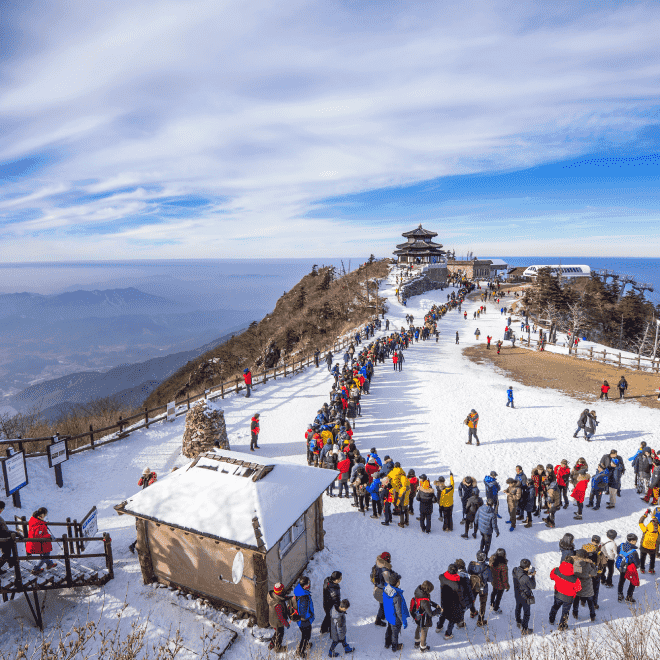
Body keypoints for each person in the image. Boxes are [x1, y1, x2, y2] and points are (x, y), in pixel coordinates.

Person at [129, 467, 158, 553]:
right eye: (143, 475)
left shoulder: (152, 479)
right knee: (143, 533)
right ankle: (134, 545)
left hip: (148, 498)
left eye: (145, 474)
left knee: (144, 533)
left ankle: (134, 545)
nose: (144, 476)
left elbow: (152, 484)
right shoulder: (144, 479)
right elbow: (139, 484)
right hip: (145, 499)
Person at [549, 557, 581, 631]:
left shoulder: (556, 570)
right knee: (565, 612)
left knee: (555, 606)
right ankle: (562, 626)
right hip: (568, 597)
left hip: (558, 594)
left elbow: (551, 577)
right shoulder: (575, 578)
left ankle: (551, 620)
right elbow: (578, 588)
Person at [383, 572, 409, 653]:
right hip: (395, 618)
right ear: (396, 583)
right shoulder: (396, 596)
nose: (399, 582)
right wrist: (403, 621)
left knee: (389, 629)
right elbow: (399, 611)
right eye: (398, 580)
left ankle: (387, 643)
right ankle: (395, 647)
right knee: (395, 633)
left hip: (389, 615)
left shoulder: (386, 589)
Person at [436, 564, 463, 640]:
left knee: (443, 613)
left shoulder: (442, 577)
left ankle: (439, 626)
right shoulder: (457, 584)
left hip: (444, 600)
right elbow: (460, 596)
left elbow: (441, 576)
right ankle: (448, 634)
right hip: (453, 603)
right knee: (452, 618)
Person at [27, 507, 57, 575]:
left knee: (44, 554)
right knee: (45, 555)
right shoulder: (39, 524)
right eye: (45, 514)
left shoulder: (34, 520)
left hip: (38, 543)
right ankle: (36, 569)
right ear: (42, 515)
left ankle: (49, 564)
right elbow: (39, 535)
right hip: (41, 543)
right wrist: (49, 536)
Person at [411, 580, 438, 652]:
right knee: (424, 632)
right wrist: (438, 610)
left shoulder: (418, 592)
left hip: (417, 615)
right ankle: (423, 647)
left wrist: (434, 604)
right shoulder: (425, 601)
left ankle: (417, 642)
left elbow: (428, 601)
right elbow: (431, 613)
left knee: (418, 627)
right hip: (423, 619)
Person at [468, 551, 492, 626]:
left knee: (472, 600)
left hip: (473, 586)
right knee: (483, 603)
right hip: (483, 588)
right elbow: (490, 580)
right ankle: (480, 620)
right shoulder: (486, 568)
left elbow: (469, 572)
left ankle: (472, 612)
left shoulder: (471, 565)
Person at [572, 549, 597, 622]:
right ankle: (592, 615)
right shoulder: (587, 564)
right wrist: (592, 564)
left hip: (578, 585)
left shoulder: (576, 563)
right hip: (587, 586)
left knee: (576, 601)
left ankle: (575, 613)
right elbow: (594, 573)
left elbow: (577, 574)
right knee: (590, 602)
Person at [512, 558, 536, 635]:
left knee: (518, 607)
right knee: (527, 613)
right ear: (526, 568)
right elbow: (533, 586)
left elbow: (521, 574)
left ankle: (518, 621)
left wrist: (527, 573)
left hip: (517, 593)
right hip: (525, 596)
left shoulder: (515, 570)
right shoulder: (526, 578)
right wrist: (532, 576)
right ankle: (525, 629)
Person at [293, 576, 315, 657]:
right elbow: (303, 613)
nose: (309, 585)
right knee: (306, 636)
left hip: (301, 621)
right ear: (304, 586)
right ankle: (300, 651)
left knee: (305, 634)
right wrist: (310, 616)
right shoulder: (304, 598)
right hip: (304, 621)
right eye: (307, 584)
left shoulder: (299, 590)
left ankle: (305, 644)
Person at [616, 533, 640, 603]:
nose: (636, 542)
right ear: (632, 541)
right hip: (628, 568)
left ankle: (620, 595)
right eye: (635, 540)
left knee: (621, 581)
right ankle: (629, 596)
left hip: (621, 566)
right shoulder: (633, 552)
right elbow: (637, 564)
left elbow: (618, 552)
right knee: (632, 582)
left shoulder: (621, 545)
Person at [371, 552, 393, 626]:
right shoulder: (384, 569)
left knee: (382, 604)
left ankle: (383, 616)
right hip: (381, 590)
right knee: (383, 606)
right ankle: (378, 620)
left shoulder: (377, 564)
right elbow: (388, 582)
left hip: (377, 588)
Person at [267, 583, 290, 653]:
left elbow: (280, 598)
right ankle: (278, 648)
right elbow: (280, 617)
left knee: (277, 633)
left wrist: (288, 598)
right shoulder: (278, 605)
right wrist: (286, 624)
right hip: (277, 622)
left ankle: (271, 643)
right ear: (280, 592)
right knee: (280, 635)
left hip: (272, 619)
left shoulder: (272, 596)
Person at [489, 548, 509, 614]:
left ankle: (492, 603)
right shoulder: (503, 566)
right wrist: (507, 586)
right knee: (499, 596)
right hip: (500, 584)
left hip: (494, 580)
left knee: (494, 592)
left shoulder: (492, 560)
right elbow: (504, 578)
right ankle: (496, 608)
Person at [0, 501, 16, 574]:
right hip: (2, 538)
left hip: (2, 538)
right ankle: (11, 561)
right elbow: (3, 530)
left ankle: (10, 561)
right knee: (6, 554)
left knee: (6, 552)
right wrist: (16, 533)